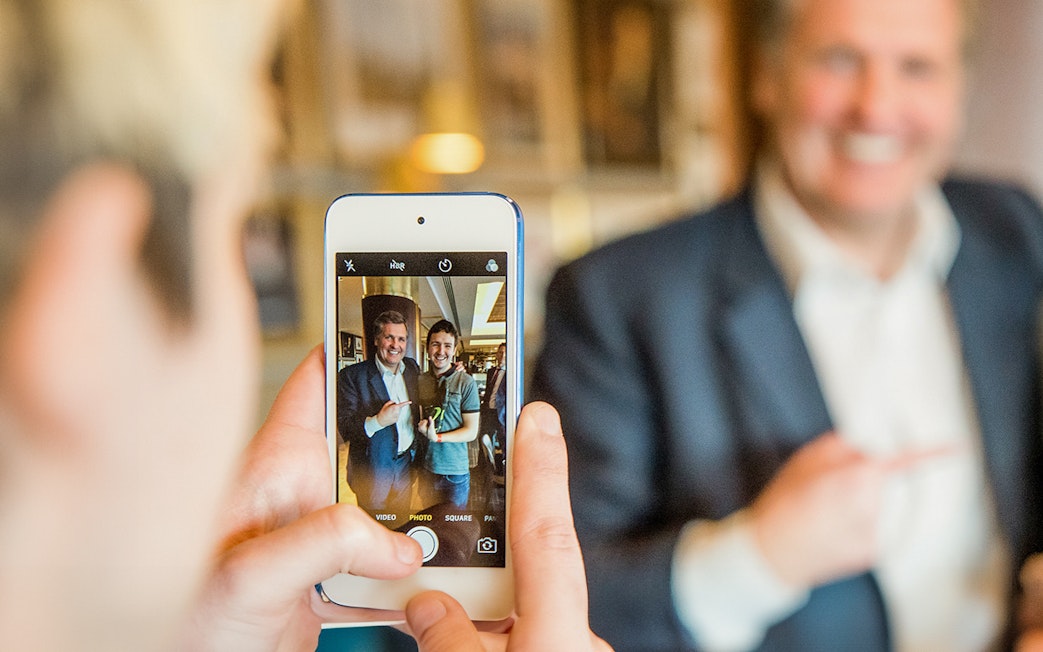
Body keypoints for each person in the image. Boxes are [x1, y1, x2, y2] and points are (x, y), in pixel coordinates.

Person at [0, 1, 608, 650]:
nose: (401, 345)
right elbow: (354, 434)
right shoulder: (358, 378)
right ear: (90, 304)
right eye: (232, 232)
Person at [532, 0, 1043, 649]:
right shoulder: (617, 296)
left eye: (916, 67)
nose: (876, 106)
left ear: (959, 91)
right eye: (838, 60)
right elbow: (558, 600)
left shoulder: (1015, 235)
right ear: (765, 76)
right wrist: (759, 555)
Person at [337, 310, 420, 513]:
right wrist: (378, 421)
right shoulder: (351, 376)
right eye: (389, 337)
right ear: (376, 340)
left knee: (402, 520)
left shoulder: (411, 368)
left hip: (406, 464)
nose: (395, 345)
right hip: (372, 471)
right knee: (373, 524)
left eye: (401, 339)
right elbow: (345, 426)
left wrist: (454, 373)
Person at [417, 319, 481, 511]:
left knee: (454, 534)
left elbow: (471, 431)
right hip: (426, 468)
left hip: (455, 472)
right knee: (426, 526)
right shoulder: (420, 380)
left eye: (447, 346)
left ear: (454, 351)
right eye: (435, 344)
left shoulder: (466, 382)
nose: (441, 351)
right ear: (428, 348)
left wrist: (437, 437)